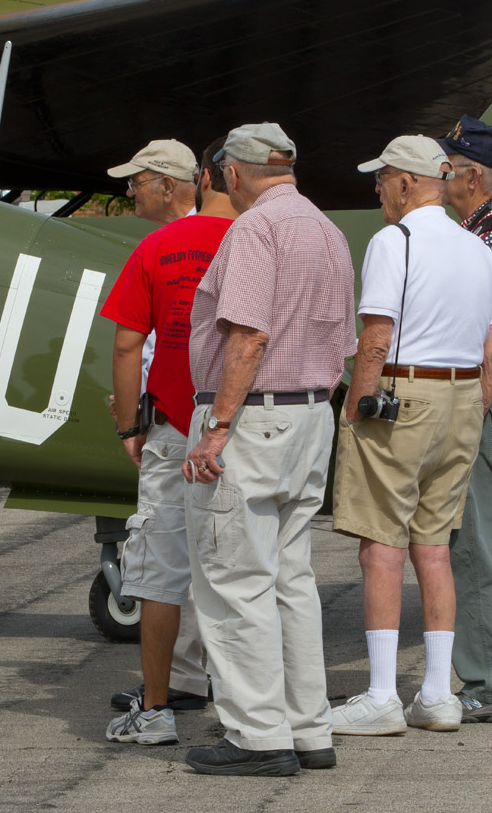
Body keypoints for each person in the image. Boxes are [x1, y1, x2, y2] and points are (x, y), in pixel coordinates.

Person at [183, 122, 355, 776]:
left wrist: (218, 423)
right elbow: (342, 342)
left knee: (233, 577)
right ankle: (309, 726)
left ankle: (257, 734)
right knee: (291, 578)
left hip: (253, 418)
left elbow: (248, 335)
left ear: (232, 171)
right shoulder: (326, 229)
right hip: (310, 414)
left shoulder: (255, 229)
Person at [331, 134, 492, 736]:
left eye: (382, 180)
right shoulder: (476, 246)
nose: (377, 190)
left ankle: (379, 696)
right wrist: (478, 402)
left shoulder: (392, 240)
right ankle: (437, 694)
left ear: (405, 182)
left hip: (403, 393)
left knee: (380, 544)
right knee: (434, 546)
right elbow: (487, 343)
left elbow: (376, 332)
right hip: (462, 397)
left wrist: (357, 404)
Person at [101, 139, 237, 745]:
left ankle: (159, 704)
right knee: (234, 562)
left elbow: (129, 345)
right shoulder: (250, 240)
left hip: (176, 423)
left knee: (160, 565)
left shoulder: (158, 247)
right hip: (238, 423)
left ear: (170, 182)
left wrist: (129, 424)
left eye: (138, 180)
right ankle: (233, 697)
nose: (130, 190)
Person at [438, 115, 492, 723]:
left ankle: (483, 678)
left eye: (449, 169)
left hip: (485, 404)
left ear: (472, 177)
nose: (443, 178)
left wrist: (480, 400)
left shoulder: (480, 237)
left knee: (474, 544)